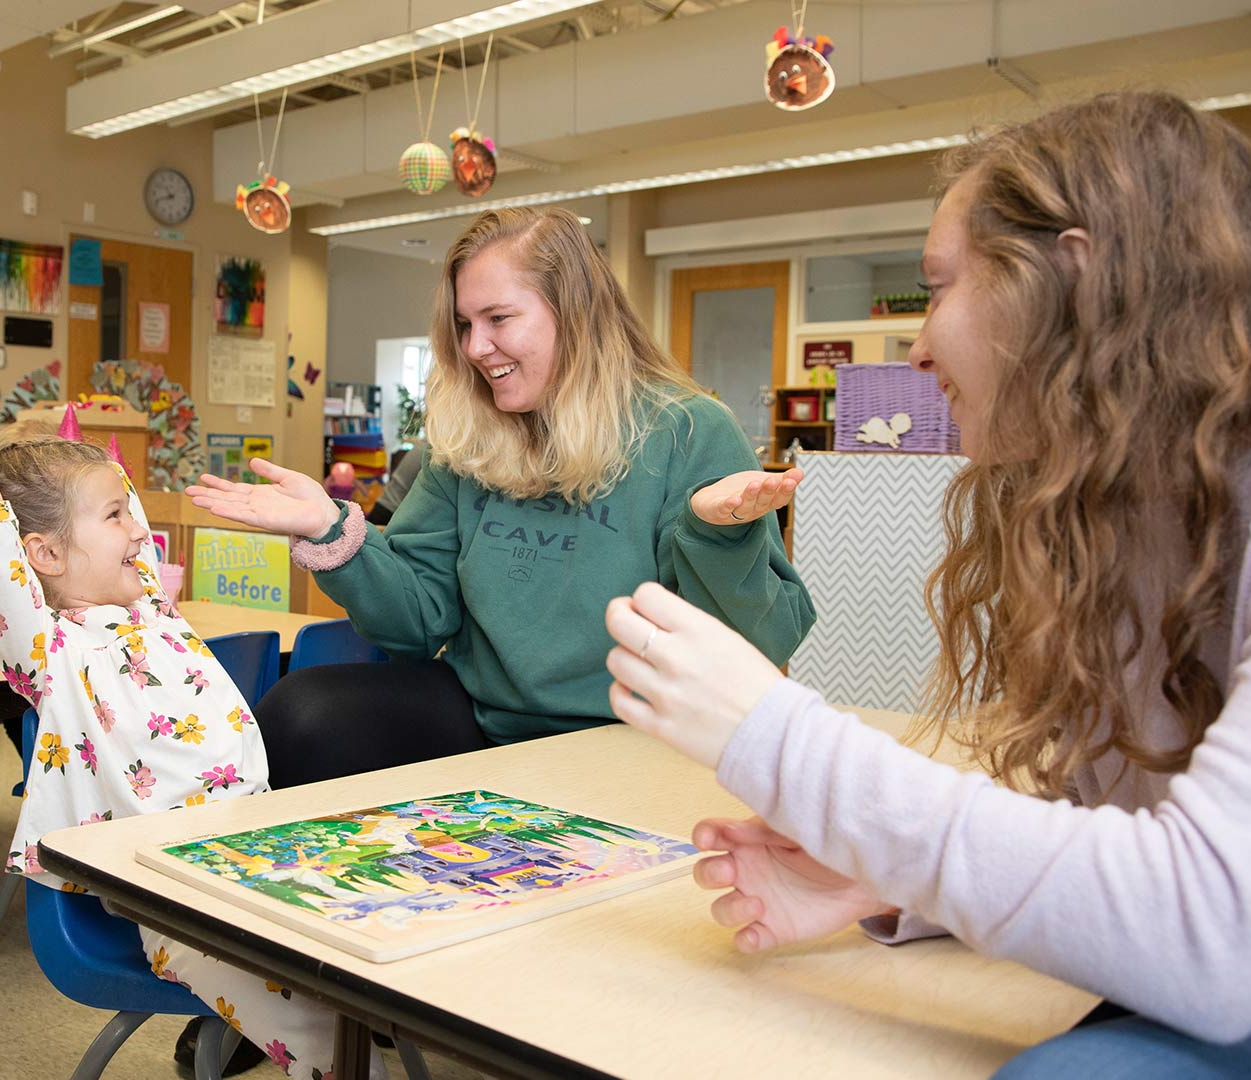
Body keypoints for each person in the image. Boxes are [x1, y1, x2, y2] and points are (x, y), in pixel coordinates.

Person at [603, 91, 1251, 1078]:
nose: (919, 344)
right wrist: (891, 877)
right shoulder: (1131, 493)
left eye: (938, 287)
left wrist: (778, 737)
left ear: (1074, 273)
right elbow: (1135, 833)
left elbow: (1216, 934)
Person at [186, 207, 815, 787]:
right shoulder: (469, 435)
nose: (474, 348)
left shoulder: (686, 430)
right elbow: (417, 622)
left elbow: (761, 647)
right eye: (464, 324)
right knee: (305, 710)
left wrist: (716, 535)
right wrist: (332, 533)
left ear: (576, 312)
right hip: (486, 719)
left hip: (630, 736)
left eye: (498, 319)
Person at [0, 391, 386, 1078]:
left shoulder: (149, 606)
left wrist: (108, 493)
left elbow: (130, 522)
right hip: (178, 903)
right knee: (332, 1043)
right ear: (46, 555)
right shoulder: (50, 649)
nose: (139, 533)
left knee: (384, 952)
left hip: (261, 861)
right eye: (115, 516)